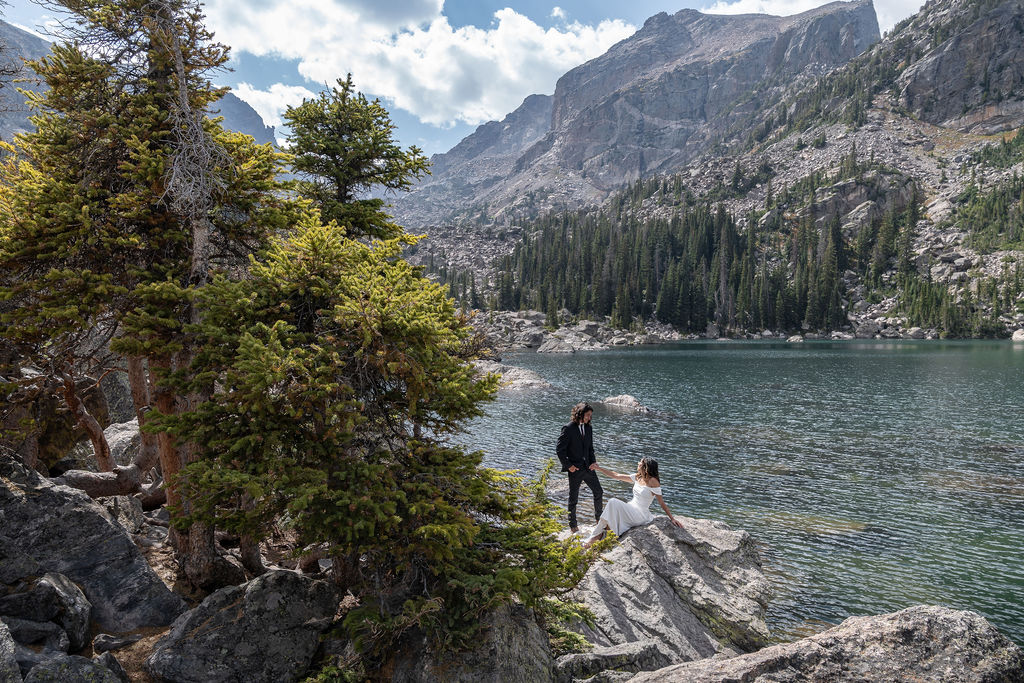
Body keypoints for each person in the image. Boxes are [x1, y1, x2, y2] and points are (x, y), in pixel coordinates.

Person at [583, 457, 684, 548]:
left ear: (646, 467)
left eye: (640, 463)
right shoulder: (638, 477)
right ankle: (602, 535)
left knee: (613, 502)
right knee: (612, 508)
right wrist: (599, 469)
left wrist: (672, 518)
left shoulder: (653, 482)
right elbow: (617, 475)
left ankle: (597, 536)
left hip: (640, 514)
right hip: (631, 507)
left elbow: (661, 503)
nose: (638, 463)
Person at [556, 402, 603, 533]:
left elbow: (590, 449)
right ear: (580, 414)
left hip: (588, 468)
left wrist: (593, 462)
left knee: (598, 491)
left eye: (590, 415)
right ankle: (573, 525)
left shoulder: (589, 428)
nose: (589, 418)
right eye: (588, 415)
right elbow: (560, 450)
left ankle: (599, 520)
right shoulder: (568, 428)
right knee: (573, 498)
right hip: (575, 469)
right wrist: (569, 466)